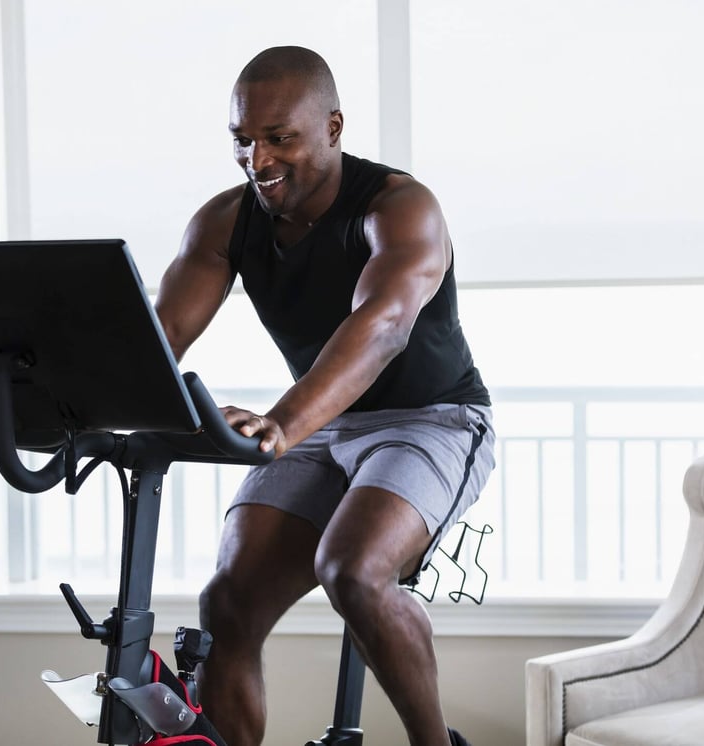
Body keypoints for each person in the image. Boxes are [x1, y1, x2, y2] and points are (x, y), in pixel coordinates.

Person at [153, 46, 495, 746]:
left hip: (432, 419)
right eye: (243, 140)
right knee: (229, 601)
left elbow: (384, 327)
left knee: (354, 570)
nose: (259, 160)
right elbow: (162, 337)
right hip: (322, 423)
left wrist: (283, 420)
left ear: (333, 128)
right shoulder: (224, 222)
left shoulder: (400, 208)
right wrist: (58, 400)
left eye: (281, 138)